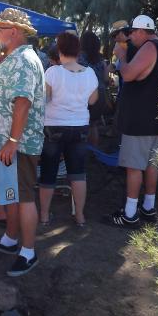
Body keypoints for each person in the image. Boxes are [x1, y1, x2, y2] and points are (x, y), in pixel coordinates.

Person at [0, 8, 45, 277]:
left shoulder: (24, 60)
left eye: (0, 29)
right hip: (7, 143)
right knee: (10, 192)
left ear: (14, 32)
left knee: (24, 197)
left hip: (17, 144)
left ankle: (28, 252)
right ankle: (10, 238)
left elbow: (23, 102)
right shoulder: (14, 58)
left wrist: (13, 140)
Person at [105, 15, 158, 227]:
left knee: (133, 166)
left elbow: (129, 74)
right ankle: (148, 207)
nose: (130, 36)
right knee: (151, 164)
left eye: (133, 32)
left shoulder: (150, 47)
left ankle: (130, 214)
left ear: (142, 31)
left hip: (140, 118)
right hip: (155, 115)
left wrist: (122, 57)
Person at [39, 32, 98, 227]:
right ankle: (79, 215)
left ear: (60, 50)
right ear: (78, 51)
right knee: (78, 173)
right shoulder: (90, 73)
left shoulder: (53, 72)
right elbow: (93, 100)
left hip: (54, 126)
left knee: (48, 172)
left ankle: (44, 216)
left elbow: (45, 99)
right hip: (80, 126)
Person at [78, 30, 108, 145]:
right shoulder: (100, 59)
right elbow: (106, 78)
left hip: (85, 95)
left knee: (82, 125)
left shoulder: (79, 58)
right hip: (100, 94)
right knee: (93, 125)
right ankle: (93, 150)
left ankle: (82, 150)